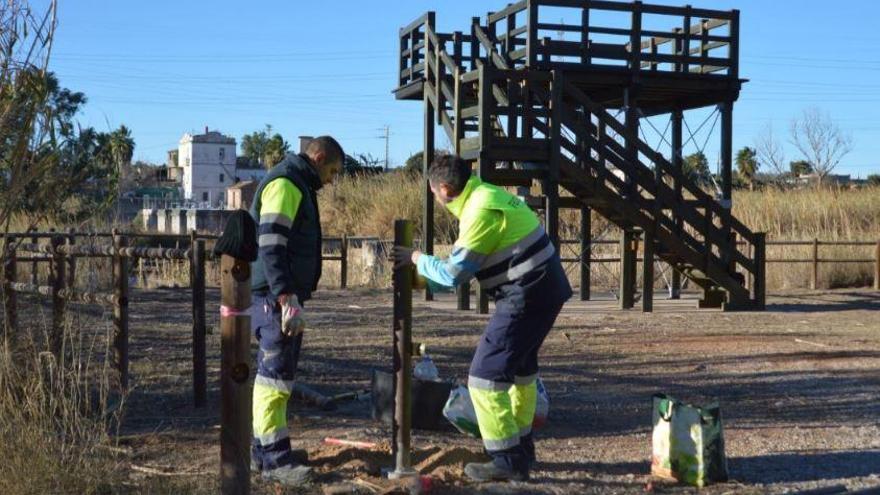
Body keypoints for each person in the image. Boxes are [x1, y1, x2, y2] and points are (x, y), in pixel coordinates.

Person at [393, 154, 572, 482]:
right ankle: (521, 449)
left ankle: (505, 460)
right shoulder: (487, 194)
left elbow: (452, 275)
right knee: (521, 371)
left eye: (434, 193)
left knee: (485, 377)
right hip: (545, 289)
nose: (435, 198)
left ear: (446, 189)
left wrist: (418, 259)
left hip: (527, 293)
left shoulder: (479, 212)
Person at [248, 136, 344, 486]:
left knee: (276, 376)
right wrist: (285, 296)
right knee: (274, 378)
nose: (332, 179)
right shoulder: (288, 183)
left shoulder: (297, 182)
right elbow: (271, 243)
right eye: (332, 170)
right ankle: (275, 461)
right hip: (275, 298)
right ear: (318, 158)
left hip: (276, 295)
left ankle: (266, 450)